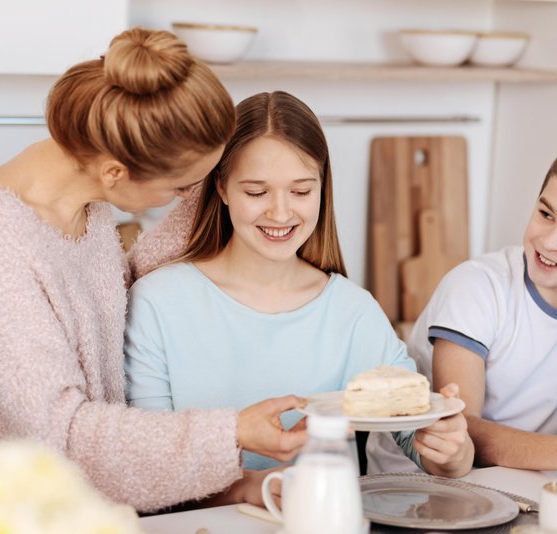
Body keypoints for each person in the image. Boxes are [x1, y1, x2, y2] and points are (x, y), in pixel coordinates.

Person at [0, 28, 308, 513]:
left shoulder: (83, 209)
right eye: (183, 188)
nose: (190, 198)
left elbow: (107, 297)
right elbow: (59, 442)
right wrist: (230, 435)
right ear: (116, 173)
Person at [124, 91, 475, 506]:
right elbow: (147, 468)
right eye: (256, 192)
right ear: (220, 187)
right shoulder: (158, 302)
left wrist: (452, 450)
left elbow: (425, 445)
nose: (279, 213)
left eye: (301, 191)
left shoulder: (352, 311)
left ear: (322, 188)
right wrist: (253, 489)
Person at [369, 158, 557, 473]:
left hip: (522, 483)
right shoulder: (478, 286)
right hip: (417, 486)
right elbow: (463, 432)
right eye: (546, 214)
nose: (549, 242)